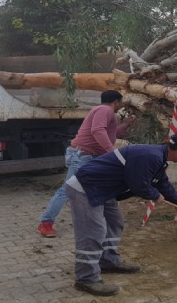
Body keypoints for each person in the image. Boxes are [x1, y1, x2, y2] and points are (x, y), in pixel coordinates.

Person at [65, 132, 177, 296]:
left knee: (115, 222)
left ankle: (108, 260)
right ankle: (86, 278)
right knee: (93, 233)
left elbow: (162, 183)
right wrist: (155, 196)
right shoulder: (151, 156)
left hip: (104, 190)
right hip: (86, 188)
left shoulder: (158, 159)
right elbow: (138, 183)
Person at [37, 89, 134, 237]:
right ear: (116, 102)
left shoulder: (105, 112)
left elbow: (110, 134)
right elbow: (97, 131)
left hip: (90, 156)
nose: (121, 106)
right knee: (68, 190)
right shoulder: (105, 110)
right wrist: (111, 151)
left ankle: (99, 219)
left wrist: (126, 125)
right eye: (120, 103)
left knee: (97, 188)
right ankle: (46, 223)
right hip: (83, 156)